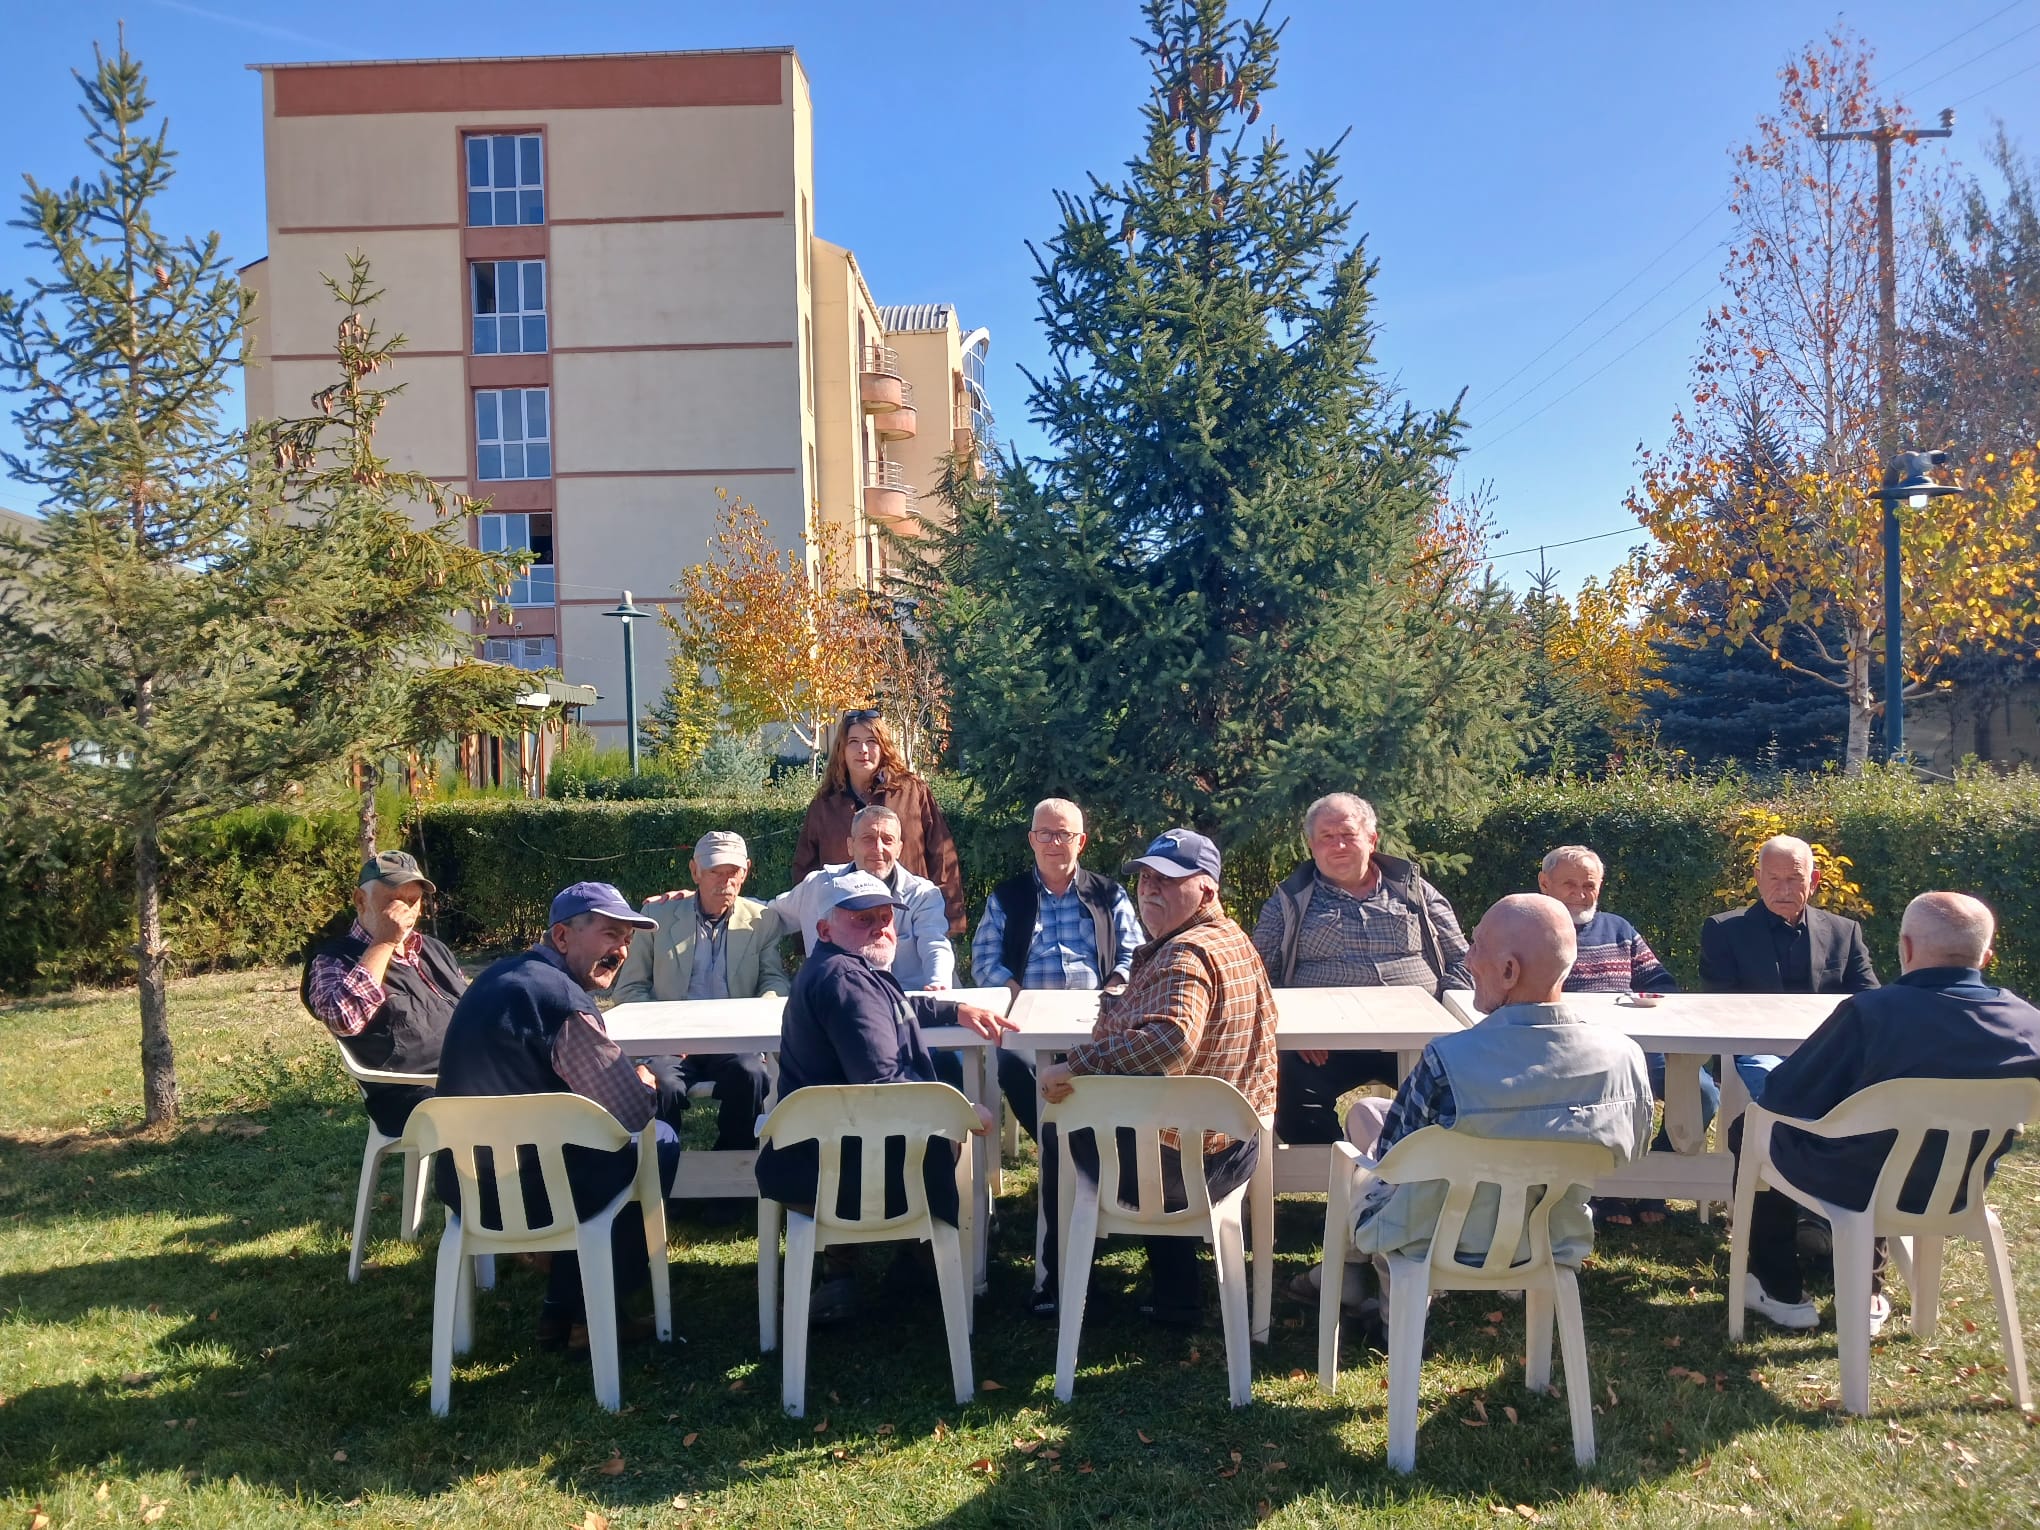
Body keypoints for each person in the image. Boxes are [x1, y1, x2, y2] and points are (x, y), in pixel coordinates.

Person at [1313, 895, 1653, 1339]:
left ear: (1510, 971)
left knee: (1366, 1150)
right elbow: (1634, 1147)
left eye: (1475, 947)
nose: (1467, 960)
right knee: (1369, 1114)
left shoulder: (1447, 1060)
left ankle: (1362, 1293)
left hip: (1431, 1236)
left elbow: (1393, 1160)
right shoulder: (1624, 1058)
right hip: (1549, 1235)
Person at [1734, 891, 2040, 1336]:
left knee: (1753, 1126)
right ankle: (1868, 1291)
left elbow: (1783, 1095)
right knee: (1882, 1146)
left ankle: (1778, 1287)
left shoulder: (1870, 1013)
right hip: (1958, 1189)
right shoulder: (2029, 1027)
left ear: (1907, 947)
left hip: (1856, 1185)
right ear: (1986, 956)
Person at [1034, 829, 1279, 1328]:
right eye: (1145, 879)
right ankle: (1177, 1297)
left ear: (1206, 890)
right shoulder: (1234, 940)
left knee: (1064, 1127)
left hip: (1190, 1167)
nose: (1149, 890)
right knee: (1154, 1123)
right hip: (1232, 1147)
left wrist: (1078, 1064)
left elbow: (1170, 1041)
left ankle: (1061, 1290)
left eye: (1166, 881)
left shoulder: (1186, 955)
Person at [754, 868, 1013, 1324]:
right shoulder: (846, 980)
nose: (879, 926)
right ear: (823, 928)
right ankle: (919, 1260)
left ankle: (862, 1269)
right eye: (862, 919)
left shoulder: (840, 968)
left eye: (885, 917)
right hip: (847, 1174)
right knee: (952, 1131)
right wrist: (956, 1110)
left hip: (814, 1156)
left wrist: (955, 1008)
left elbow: (895, 1004)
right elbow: (884, 1087)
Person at [434, 882, 677, 1352]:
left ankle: (560, 1309)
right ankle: (592, 1312)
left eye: (627, 939)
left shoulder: (494, 977)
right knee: (658, 1140)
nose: (620, 951)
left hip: (463, 1185)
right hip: (529, 1191)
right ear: (562, 937)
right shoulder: (561, 1003)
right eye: (610, 935)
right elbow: (628, 1112)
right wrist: (645, 1083)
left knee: (592, 1153)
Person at [1252, 793, 1473, 1144]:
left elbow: (1464, 958)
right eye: (1326, 837)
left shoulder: (1414, 892)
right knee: (1289, 1089)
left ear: (1372, 839)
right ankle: (1345, 1178)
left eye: (1348, 834)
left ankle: (1423, 1175)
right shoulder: (1289, 902)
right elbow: (1258, 972)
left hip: (1419, 1039)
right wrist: (1297, 1025)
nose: (1338, 845)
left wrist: (1442, 1014)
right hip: (1324, 1044)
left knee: (1460, 1092)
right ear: (1311, 845)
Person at [1540, 843, 1718, 1225]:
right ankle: (1606, 1190)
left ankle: (1652, 1181)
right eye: (1569, 884)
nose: (1580, 894)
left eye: (1589, 885)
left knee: (1703, 1093)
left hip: (1639, 1047)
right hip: (1566, 1051)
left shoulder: (1618, 929)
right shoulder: (1529, 927)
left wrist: (1650, 999)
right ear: (1545, 884)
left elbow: (1661, 983)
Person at [970, 796, 1144, 1141]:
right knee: (1013, 1065)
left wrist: (1112, 991)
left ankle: (1093, 1152)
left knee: (1125, 1062)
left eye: (1063, 835)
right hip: (1026, 1017)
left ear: (1080, 842)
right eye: (1045, 834)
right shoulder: (1007, 897)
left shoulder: (1108, 895)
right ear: (1032, 839)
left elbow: (1135, 955)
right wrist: (1018, 998)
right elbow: (985, 961)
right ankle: (1060, 1149)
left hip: (1097, 1017)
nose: (1053, 843)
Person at [611, 830, 785, 1160]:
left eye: (732, 873)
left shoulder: (761, 921)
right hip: (669, 1041)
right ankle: (661, 1169)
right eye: (714, 872)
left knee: (753, 1075)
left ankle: (732, 1168)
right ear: (695, 872)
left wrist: (753, 1024)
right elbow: (631, 989)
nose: (725, 882)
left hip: (734, 1039)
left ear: (746, 871)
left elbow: (773, 982)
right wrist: (665, 1033)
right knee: (662, 1083)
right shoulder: (656, 918)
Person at [1701, 834, 1880, 1101]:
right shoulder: (1724, 931)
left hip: (1828, 1047)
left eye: (1794, 879)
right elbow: (1721, 1005)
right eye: (1773, 878)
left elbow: (1869, 998)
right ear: (1758, 878)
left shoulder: (1844, 931)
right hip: (1756, 1048)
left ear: (1814, 881)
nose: (1783, 890)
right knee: (1774, 1079)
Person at [301, 851, 467, 1138]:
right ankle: (475, 1183)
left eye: (412, 901)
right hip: (410, 1094)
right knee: (496, 1116)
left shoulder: (434, 950)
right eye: (392, 900)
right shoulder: (333, 960)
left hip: (470, 1075)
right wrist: (385, 941)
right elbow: (344, 1020)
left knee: (549, 1092)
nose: (404, 911)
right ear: (360, 900)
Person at [792, 708, 965, 935]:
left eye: (871, 741)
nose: (863, 750)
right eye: (853, 741)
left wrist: (948, 923)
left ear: (883, 746)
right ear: (842, 749)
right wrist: (807, 935)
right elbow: (806, 870)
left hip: (909, 920)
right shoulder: (825, 804)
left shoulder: (912, 792)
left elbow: (942, 856)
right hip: (848, 925)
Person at [774, 805, 955, 993]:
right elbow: (770, 917)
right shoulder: (818, 886)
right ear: (850, 846)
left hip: (904, 1003)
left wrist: (938, 982)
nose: (878, 848)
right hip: (833, 1003)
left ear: (899, 849)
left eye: (888, 840)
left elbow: (935, 944)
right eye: (868, 839)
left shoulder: (922, 895)